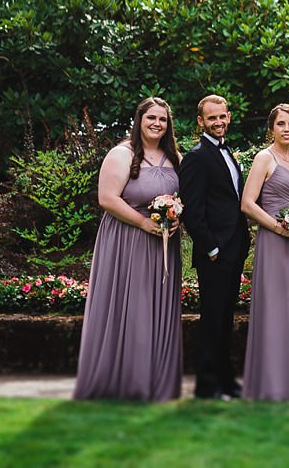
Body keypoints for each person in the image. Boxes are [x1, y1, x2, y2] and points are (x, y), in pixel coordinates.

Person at [73, 96, 183, 400]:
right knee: (129, 306)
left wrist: (175, 220)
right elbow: (107, 199)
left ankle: (155, 381)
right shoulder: (121, 154)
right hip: (126, 241)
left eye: (162, 119)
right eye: (151, 118)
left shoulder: (173, 157)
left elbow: (182, 197)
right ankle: (120, 381)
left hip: (162, 245)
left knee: (155, 307)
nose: (157, 124)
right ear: (139, 120)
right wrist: (143, 222)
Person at [239, 103, 289, 400]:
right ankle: (271, 381)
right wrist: (278, 227)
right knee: (276, 307)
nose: (287, 129)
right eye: (281, 124)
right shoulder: (264, 158)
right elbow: (247, 203)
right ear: (272, 128)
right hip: (274, 242)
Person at [178, 93, 249, 400]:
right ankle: (207, 387)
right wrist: (212, 249)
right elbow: (192, 211)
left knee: (225, 319)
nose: (218, 122)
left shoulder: (228, 152)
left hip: (234, 249)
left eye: (222, 116)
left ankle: (227, 382)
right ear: (200, 122)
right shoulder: (196, 157)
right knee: (212, 321)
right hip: (215, 254)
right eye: (212, 118)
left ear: (228, 116)